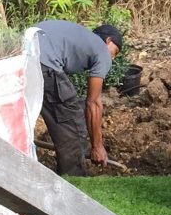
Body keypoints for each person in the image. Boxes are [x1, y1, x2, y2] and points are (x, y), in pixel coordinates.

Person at [32, 20, 122, 174]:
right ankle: (73, 184)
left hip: (23, 55)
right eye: (116, 52)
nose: (113, 58)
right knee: (73, 129)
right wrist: (97, 146)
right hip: (44, 63)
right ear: (108, 41)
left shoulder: (80, 39)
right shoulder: (101, 50)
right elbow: (93, 103)